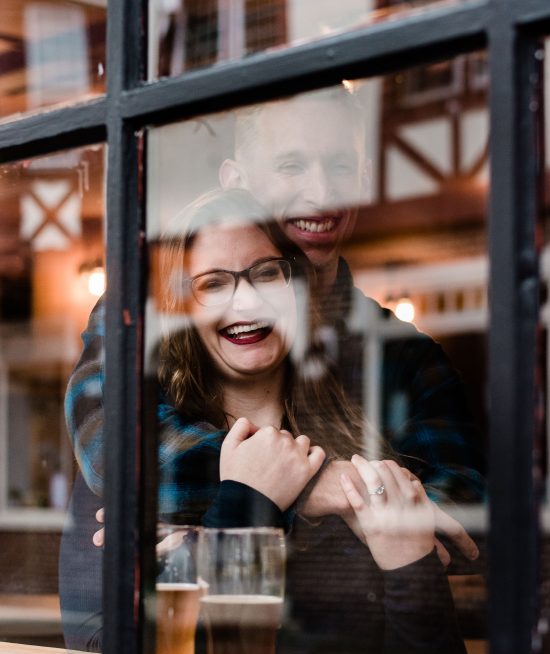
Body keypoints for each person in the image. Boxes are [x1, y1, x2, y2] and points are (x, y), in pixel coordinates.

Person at [62, 187, 470, 654]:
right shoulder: (140, 466)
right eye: (213, 284)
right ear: (182, 308)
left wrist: (410, 561)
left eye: (267, 273)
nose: (247, 300)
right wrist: (249, 500)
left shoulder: (362, 464)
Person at [64, 85, 485, 557]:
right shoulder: (148, 308)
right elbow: (115, 449)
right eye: (292, 166)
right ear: (235, 181)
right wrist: (318, 486)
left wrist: (217, 529)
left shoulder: (405, 355)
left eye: (341, 167)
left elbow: (461, 520)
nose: (322, 193)